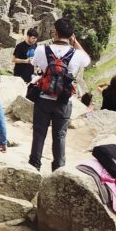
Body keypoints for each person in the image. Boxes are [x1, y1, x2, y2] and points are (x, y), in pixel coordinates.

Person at [28, 17, 90, 172]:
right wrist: (75, 42)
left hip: (43, 98)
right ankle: (58, 170)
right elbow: (87, 60)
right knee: (60, 136)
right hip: (63, 100)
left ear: (55, 32)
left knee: (39, 134)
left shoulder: (42, 50)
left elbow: (35, 64)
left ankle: (34, 166)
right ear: (71, 35)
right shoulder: (77, 55)